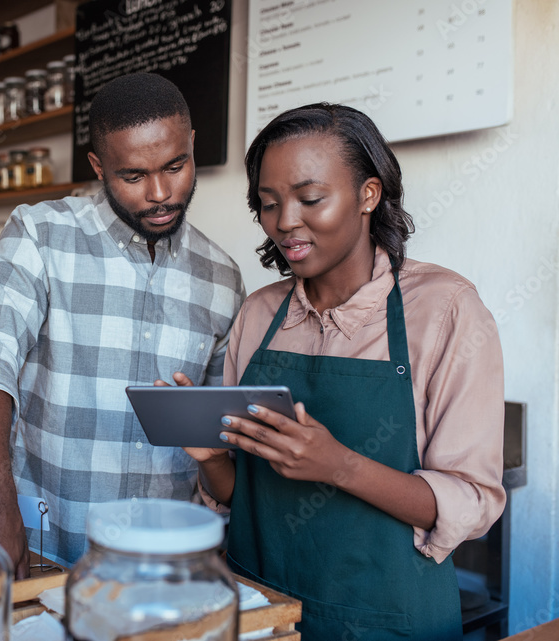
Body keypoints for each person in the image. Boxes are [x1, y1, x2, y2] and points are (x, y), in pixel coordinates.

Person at [178, 103, 505, 640]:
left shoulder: (445, 310)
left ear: (368, 195)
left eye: (310, 199)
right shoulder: (260, 314)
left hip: (387, 620)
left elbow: (471, 502)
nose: (285, 221)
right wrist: (213, 460)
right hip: (264, 610)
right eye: (268, 203)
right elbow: (247, 498)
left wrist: (339, 466)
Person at [0, 72, 244, 575]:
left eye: (176, 165)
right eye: (133, 176)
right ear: (99, 166)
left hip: (163, 565)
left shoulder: (222, 277)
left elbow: (215, 443)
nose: (160, 193)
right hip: (47, 551)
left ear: (192, 144)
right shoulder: (40, 234)